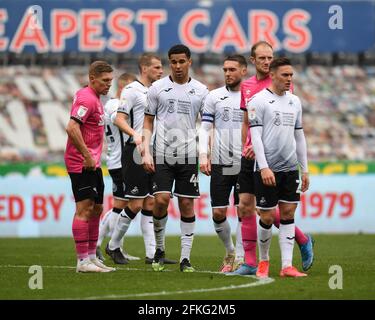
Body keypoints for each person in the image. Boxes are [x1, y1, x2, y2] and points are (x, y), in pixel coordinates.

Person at [232, 41, 314, 275]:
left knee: (277, 212)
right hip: (255, 158)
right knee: (247, 207)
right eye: (263, 58)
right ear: (253, 60)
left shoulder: (291, 96)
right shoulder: (248, 89)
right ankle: (252, 262)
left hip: (281, 163)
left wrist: (304, 168)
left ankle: (291, 256)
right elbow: (248, 124)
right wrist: (247, 147)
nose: (267, 62)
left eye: (270, 58)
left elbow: (296, 132)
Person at [142, 44, 209, 272]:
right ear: (169, 63)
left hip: (188, 156)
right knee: (160, 200)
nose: (178, 66)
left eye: (182, 61)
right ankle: (159, 250)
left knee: (187, 204)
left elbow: (207, 125)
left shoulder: (201, 91)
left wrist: (204, 153)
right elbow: (148, 121)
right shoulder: (157, 88)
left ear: (189, 61)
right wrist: (145, 149)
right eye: (173, 62)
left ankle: (185, 259)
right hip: (162, 154)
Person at [105, 54, 177, 266]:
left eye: (161, 67)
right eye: (156, 67)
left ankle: (153, 253)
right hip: (135, 150)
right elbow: (119, 118)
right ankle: (113, 245)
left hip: (156, 150)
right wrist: (134, 135)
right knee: (135, 203)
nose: (161, 71)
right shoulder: (131, 90)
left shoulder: (157, 91)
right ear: (144, 69)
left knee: (151, 202)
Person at [249, 57, 309, 277]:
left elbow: (299, 137)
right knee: (266, 217)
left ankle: (286, 266)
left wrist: (305, 169)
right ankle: (264, 261)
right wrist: (264, 167)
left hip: (290, 168)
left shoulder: (295, 101)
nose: (289, 79)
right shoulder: (258, 100)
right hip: (267, 168)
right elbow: (255, 136)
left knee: (288, 213)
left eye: (291, 75)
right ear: (272, 75)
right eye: (285, 75)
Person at [65, 60, 115, 273]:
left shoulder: (95, 98)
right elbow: (72, 127)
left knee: (96, 209)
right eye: (105, 81)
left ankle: (92, 258)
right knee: (84, 210)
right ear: (92, 79)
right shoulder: (87, 98)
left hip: (92, 163)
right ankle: (82, 261)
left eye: (110, 81)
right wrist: (86, 155)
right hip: (81, 163)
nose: (108, 85)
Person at [199, 55, 248, 272]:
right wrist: (203, 155)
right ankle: (229, 250)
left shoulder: (252, 96)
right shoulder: (214, 96)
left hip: (245, 163)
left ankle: (239, 257)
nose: (227, 73)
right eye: (225, 69)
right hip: (220, 161)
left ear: (244, 71)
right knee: (218, 213)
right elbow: (205, 128)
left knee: (243, 211)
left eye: (232, 69)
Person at [96, 72, 141, 262]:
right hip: (120, 161)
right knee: (120, 205)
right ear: (125, 88)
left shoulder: (113, 104)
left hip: (120, 160)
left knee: (123, 205)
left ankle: (115, 247)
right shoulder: (115, 105)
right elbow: (117, 119)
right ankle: (99, 245)